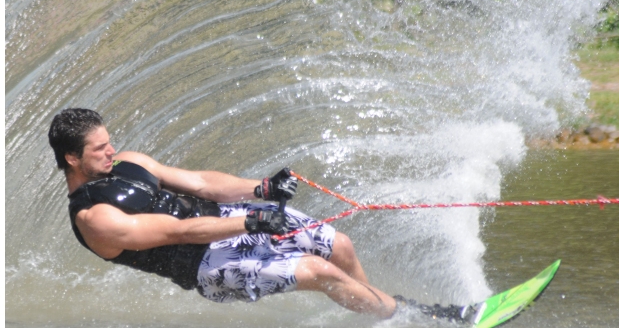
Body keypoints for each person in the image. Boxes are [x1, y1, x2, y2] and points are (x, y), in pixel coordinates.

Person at [48, 108, 474, 321]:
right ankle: (431, 319)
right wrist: (250, 222)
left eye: (109, 142)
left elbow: (200, 183)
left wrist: (261, 189)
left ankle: (385, 320)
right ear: (71, 158)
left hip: (227, 217)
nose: (111, 150)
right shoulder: (94, 220)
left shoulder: (129, 161)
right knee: (315, 271)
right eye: (99, 149)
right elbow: (179, 232)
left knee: (339, 246)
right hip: (207, 263)